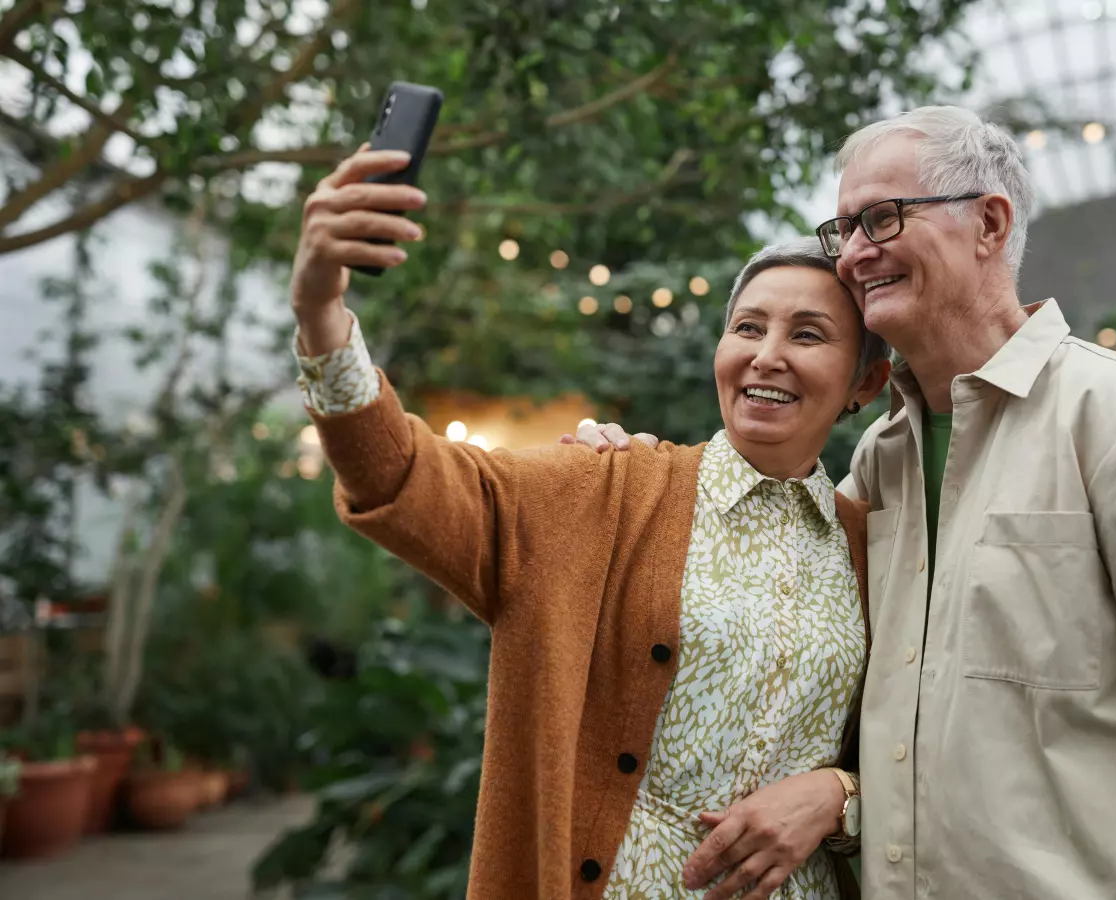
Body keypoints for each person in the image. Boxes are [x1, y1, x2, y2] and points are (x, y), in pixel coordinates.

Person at [571, 105, 1116, 900]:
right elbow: (823, 674)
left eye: (882, 218)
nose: (856, 255)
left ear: (990, 223)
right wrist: (628, 479)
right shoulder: (881, 461)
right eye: (845, 230)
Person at [287, 146, 893, 900]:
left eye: (807, 335)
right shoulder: (602, 492)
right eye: (746, 328)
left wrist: (843, 796)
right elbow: (398, 475)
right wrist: (319, 310)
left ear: (865, 380)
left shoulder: (878, 547)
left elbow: (922, 748)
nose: (766, 357)